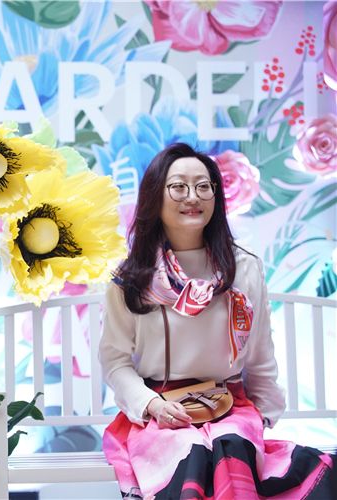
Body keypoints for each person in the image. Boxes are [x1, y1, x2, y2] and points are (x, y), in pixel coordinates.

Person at [98, 143, 336, 499]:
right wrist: (152, 405)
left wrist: (261, 416)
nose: (193, 197)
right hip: (161, 414)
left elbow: (259, 355)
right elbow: (115, 362)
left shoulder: (243, 269)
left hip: (229, 407)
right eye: (179, 187)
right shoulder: (131, 278)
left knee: (231, 445)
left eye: (203, 186)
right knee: (192, 454)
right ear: (155, 196)